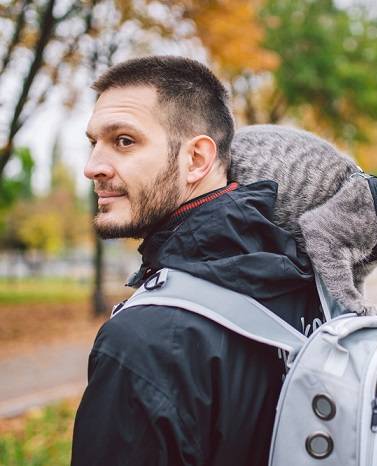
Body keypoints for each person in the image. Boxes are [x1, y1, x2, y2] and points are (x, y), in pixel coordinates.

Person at [71, 56, 323, 466]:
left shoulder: (142, 342)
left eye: (123, 141)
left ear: (197, 159)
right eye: (93, 143)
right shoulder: (303, 281)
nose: (92, 167)